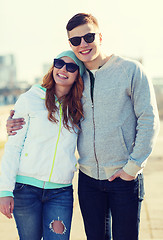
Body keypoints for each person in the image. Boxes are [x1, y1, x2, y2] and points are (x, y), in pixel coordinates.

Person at [6, 13, 160, 240]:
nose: (83, 44)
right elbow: (48, 106)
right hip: (88, 180)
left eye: (88, 37)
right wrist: (15, 120)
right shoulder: (75, 78)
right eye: (75, 40)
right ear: (70, 44)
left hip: (124, 177)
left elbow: (149, 120)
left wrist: (132, 168)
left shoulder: (130, 70)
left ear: (100, 36)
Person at [0, 50, 85, 240]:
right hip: (25, 189)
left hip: (60, 192)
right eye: (59, 63)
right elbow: (13, 147)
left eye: (71, 67)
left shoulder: (79, 107)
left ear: (78, 75)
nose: (63, 69)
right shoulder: (30, 99)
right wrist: (4, 190)